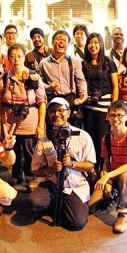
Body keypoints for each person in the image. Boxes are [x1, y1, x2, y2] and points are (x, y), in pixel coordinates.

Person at [29, 97, 96, 231]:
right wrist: (51, 169)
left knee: (77, 223)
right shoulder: (44, 140)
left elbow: (90, 165)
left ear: (68, 113)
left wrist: (72, 164)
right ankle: (58, 203)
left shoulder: (82, 136)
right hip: (53, 184)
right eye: (52, 111)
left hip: (75, 186)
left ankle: (68, 204)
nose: (56, 114)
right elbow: (35, 169)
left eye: (61, 110)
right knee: (33, 203)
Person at [0, 43, 47, 190]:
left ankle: (31, 177)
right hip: (9, 122)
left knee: (31, 152)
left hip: (30, 121)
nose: (16, 59)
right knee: (13, 150)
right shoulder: (4, 78)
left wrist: (41, 125)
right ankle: (16, 176)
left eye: (19, 56)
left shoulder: (33, 76)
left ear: (24, 57)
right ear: (8, 58)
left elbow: (41, 102)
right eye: (12, 56)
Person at [90, 100, 127, 234]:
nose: (115, 119)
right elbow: (106, 163)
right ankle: (112, 194)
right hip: (112, 175)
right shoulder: (107, 138)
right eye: (112, 115)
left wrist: (107, 176)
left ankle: (122, 214)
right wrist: (106, 179)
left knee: (125, 176)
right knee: (91, 208)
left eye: (119, 115)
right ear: (107, 117)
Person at [81, 32, 119, 169]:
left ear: (101, 44)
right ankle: (92, 167)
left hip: (104, 106)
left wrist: (113, 108)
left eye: (96, 42)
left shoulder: (108, 62)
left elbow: (115, 86)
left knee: (102, 139)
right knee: (90, 138)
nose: (93, 45)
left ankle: (103, 167)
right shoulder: (84, 64)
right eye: (90, 42)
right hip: (88, 106)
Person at [38, 30, 88, 126]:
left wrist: (83, 96)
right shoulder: (44, 63)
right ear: (52, 42)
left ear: (68, 45)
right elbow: (39, 84)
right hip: (53, 100)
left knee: (72, 129)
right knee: (53, 129)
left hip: (70, 100)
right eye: (59, 39)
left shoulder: (74, 61)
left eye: (65, 40)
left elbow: (80, 80)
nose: (61, 42)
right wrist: (49, 87)